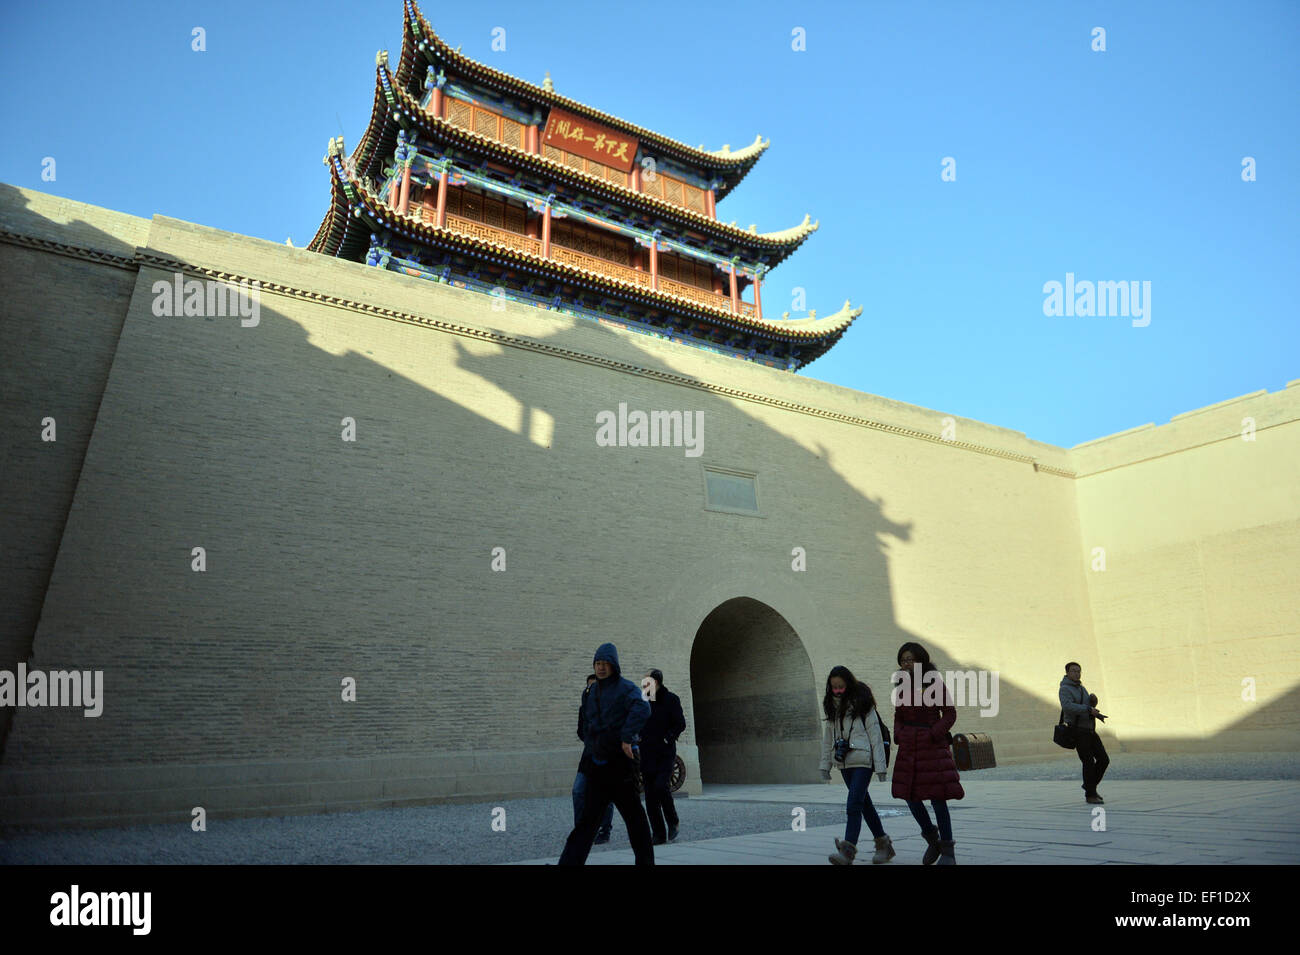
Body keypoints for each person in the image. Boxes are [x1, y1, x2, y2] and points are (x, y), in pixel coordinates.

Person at [558, 643, 655, 865]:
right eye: (598, 663)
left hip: (620, 767)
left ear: (614, 665)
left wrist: (626, 737)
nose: (601, 668)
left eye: (605, 663)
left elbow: (643, 707)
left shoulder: (626, 687)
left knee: (635, 820)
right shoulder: (591, 692)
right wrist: (592, 743)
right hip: (597, 766)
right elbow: (586, 722)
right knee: (586, 823)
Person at [892, 642, 964, 865]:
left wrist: (934, 733)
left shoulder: (934, 682)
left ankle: (948, 850)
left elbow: (950, 713)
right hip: (909, 748)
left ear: (921, 661)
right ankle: (933, 840)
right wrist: (899, 734)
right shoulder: (900, 686)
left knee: (938, 799)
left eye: (910, 659)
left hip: (932, 747)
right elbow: (898, 715)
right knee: (911, 797)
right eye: (903, 660)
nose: (906, 663)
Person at [820, 665, 893, 865]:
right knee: (864, 804)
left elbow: (876, 736)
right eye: (834, 686)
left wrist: (880, 767)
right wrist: (825, 765)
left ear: (848, 684)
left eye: (841, 686)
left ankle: (848, 851)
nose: (837, 690)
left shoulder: (863, 703)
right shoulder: (832, 707)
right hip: (844, 762)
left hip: (863, 761)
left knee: (853, 804)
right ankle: (884, 844)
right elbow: (828, 739)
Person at [639, 669, 686, 845]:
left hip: (665, 753)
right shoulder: (643, 701)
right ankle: (658, 834)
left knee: (661, 786)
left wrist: (668, 737)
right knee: (650, 796)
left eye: (648, 680)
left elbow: (680, 723)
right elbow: (637, 720)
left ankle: (673, 821)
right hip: (647, 753)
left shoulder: (671, 699)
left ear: (656, 682)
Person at [572, 673, 615, 844]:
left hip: (606, 756)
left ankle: (605, 829)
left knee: (606, 794)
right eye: (589, 687)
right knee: (578, 791)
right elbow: (580, 730)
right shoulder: (584, 709)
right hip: (588, 756)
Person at [1060, 662, 1109, 805]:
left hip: (1089, 730)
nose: (1077, 673)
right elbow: (1068, 707)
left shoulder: (1082, 688)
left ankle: (1089, 786)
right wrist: (1088, 709)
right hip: (1078, 731)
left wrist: (1093, 703)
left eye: (1079, 671)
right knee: (1088, 762)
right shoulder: (1064, 689)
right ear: (1067, 673)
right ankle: (1090, 794)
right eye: (1074, 671)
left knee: (1104, 759)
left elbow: (1088, 706)